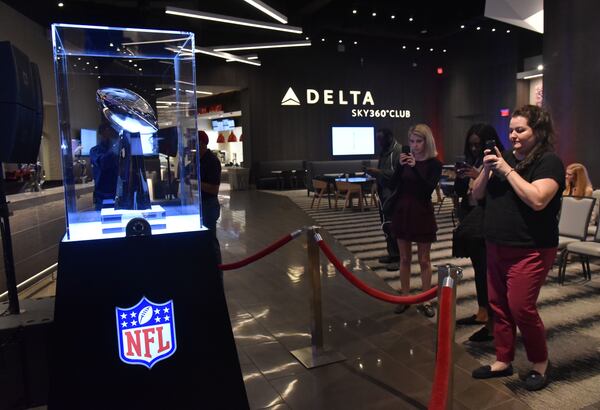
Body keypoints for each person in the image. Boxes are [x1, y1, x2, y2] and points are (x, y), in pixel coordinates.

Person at [470, 105, 565, 391]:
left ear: (539, 131)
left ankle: (540, 363)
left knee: (521, 307)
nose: (513, 135)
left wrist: (506, 170)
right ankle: (503, 360)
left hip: (531, 248)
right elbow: (476, 195)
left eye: (520, 130)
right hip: (496, 244)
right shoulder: (505, 158)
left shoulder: (549, 162)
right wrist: (487, 170)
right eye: (511, 130)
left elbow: (537, 199)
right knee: (499, 306)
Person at [454, 124, 504, 343]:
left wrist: (479, 176)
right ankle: (483, 311)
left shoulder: (498, 160)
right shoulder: (474, 159)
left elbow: (498, 191)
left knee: (488, 271)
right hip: (471, 217)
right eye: (471, 144)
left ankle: (493, 321)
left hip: (488, 220)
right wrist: (461, 177)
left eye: (478, 144)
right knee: (479, 269)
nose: (474, 148)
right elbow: (460, 192)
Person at [390, 124, 442, 317]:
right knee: (404, 258)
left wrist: (415, 168)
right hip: (403, 211)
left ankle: (426, 300)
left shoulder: (434, 164)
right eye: (412, 141)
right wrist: (400, 166)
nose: (414, 145)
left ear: (427, 142)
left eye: (419, 141)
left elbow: (427, 190)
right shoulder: (405, 160)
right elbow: (393, 184)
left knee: (424, 260)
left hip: (422, 212)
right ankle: (405, 297)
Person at [366, 128, 401, 271]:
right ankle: (392, 254)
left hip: (394, 195)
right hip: (383, 194)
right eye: (377, 139)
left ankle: (399, 258)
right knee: (386, 225)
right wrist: (376, 181)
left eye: (380, 139)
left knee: (395, 226)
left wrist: (378, 172)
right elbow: (382, 172)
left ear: (389, 137)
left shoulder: (398, 151)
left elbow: (398, 174)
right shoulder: (384, 151)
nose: (378, 142)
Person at [89, 123, 119, 210]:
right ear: (101, 134)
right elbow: (103, 163)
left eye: (111, 133)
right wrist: (115, 149)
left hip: (118, 193)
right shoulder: (95, 151)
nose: (109, 136)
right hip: (102, 196)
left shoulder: (119, 150)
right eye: (107, 132)